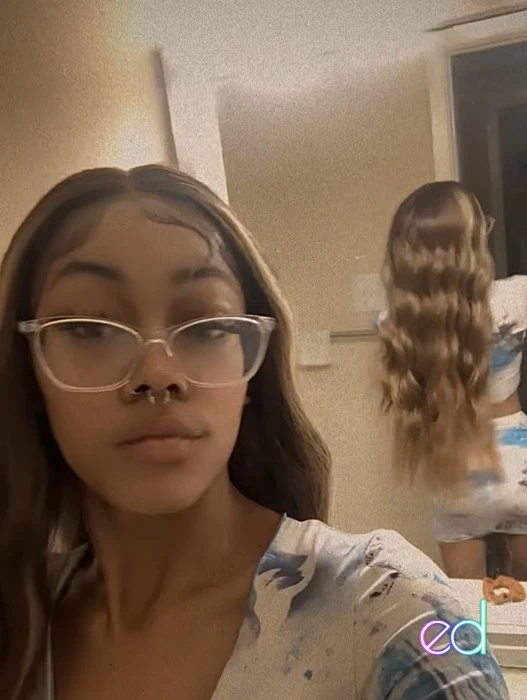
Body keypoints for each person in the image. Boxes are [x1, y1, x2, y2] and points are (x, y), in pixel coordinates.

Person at [0, 166, 507, 699]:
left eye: (208, 326)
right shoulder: (17, 619)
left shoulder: (391, 608)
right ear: (28, 370)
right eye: (90, 328)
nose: (158, 373)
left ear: (251, 370)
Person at [379, 180, 527, 581]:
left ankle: (479, 626)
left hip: (455, 470)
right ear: (472, 241)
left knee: (466, 598)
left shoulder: (398, 320)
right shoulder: (517, 297)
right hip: (518, 462)